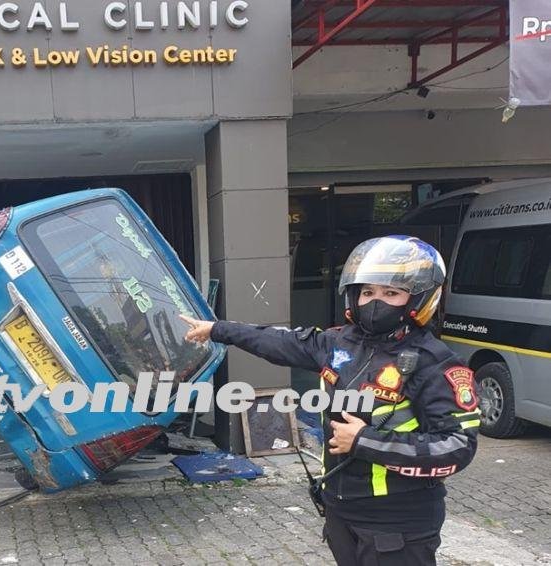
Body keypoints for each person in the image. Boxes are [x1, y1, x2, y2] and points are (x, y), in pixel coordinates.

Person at [180, 236, 480, 566]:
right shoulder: (338, 343)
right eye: (368, 292)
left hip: (398, 523)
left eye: (391, 293)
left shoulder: (435, 363)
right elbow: (277, 341)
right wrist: (218, 330)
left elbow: (456, 447)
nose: (375, 301)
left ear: (419, 299)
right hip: (341, 510)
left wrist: (365, 441)